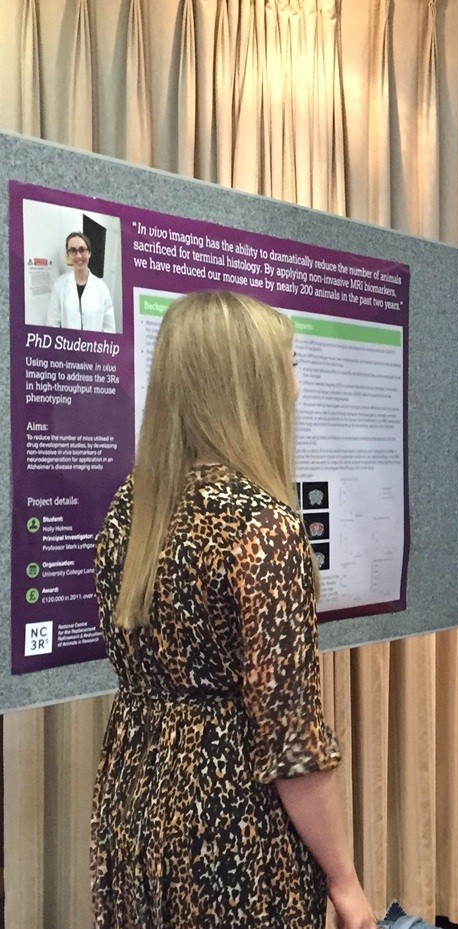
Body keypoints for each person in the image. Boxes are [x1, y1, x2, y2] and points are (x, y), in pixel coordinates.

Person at [91, 291, 375, 929]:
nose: (297, 390)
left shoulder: (128, 509)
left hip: (133, 803)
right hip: (231, 827)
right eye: (291, 367)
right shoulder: (262, 526)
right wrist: (346, 884)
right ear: (251, 387)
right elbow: (289, 737)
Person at [47, 231, 116, 332]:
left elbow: (109, 329)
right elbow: (52, 326)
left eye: (82, 250)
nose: (78, 256)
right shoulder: (59, 285)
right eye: (73, 251)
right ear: (68, 255)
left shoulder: (102, 288)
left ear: (89, 253)